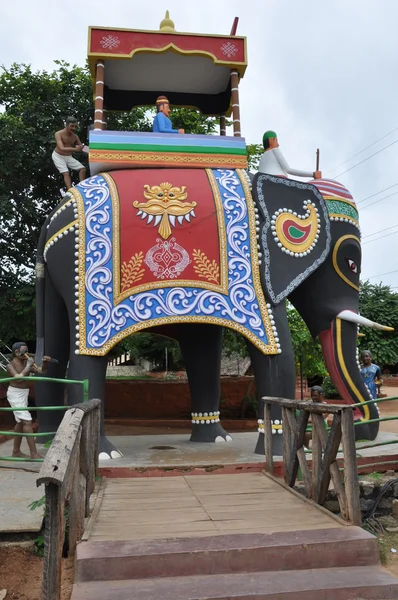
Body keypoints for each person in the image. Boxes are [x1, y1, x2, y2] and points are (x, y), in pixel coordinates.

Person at [6, 342, 51, 459]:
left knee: (20, 422)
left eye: (26, 351)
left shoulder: (27, 363)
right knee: (27, 421)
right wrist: (28, 366)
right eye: (23, 351)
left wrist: (45, 363)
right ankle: (33, 453)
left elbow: (42, 371)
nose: (26, 353)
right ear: (16, 352)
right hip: (15, 394)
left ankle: (16, 451)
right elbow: (19, 378)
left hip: (23, 394)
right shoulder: (10, 365)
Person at [258, 130, 322, 179]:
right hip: (278, 181)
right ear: (271, 140)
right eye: (276, 140)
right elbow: (288, 170)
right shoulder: (275, 150)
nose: (278, 144)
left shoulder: (262, 158)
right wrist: (313, 174)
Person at [52, 117, 86, 191]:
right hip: (58, 156)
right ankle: (70, 190)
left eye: (75, 127)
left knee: (82, 169)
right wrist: (75, 149)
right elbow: (61, 148)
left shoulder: (75, 137)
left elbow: (81, 148)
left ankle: (83, 187)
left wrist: (93, 150)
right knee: (66, 173)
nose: (74, 128)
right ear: (67, 125)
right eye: (72, 126)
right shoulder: (58, 134)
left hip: (68, 157)